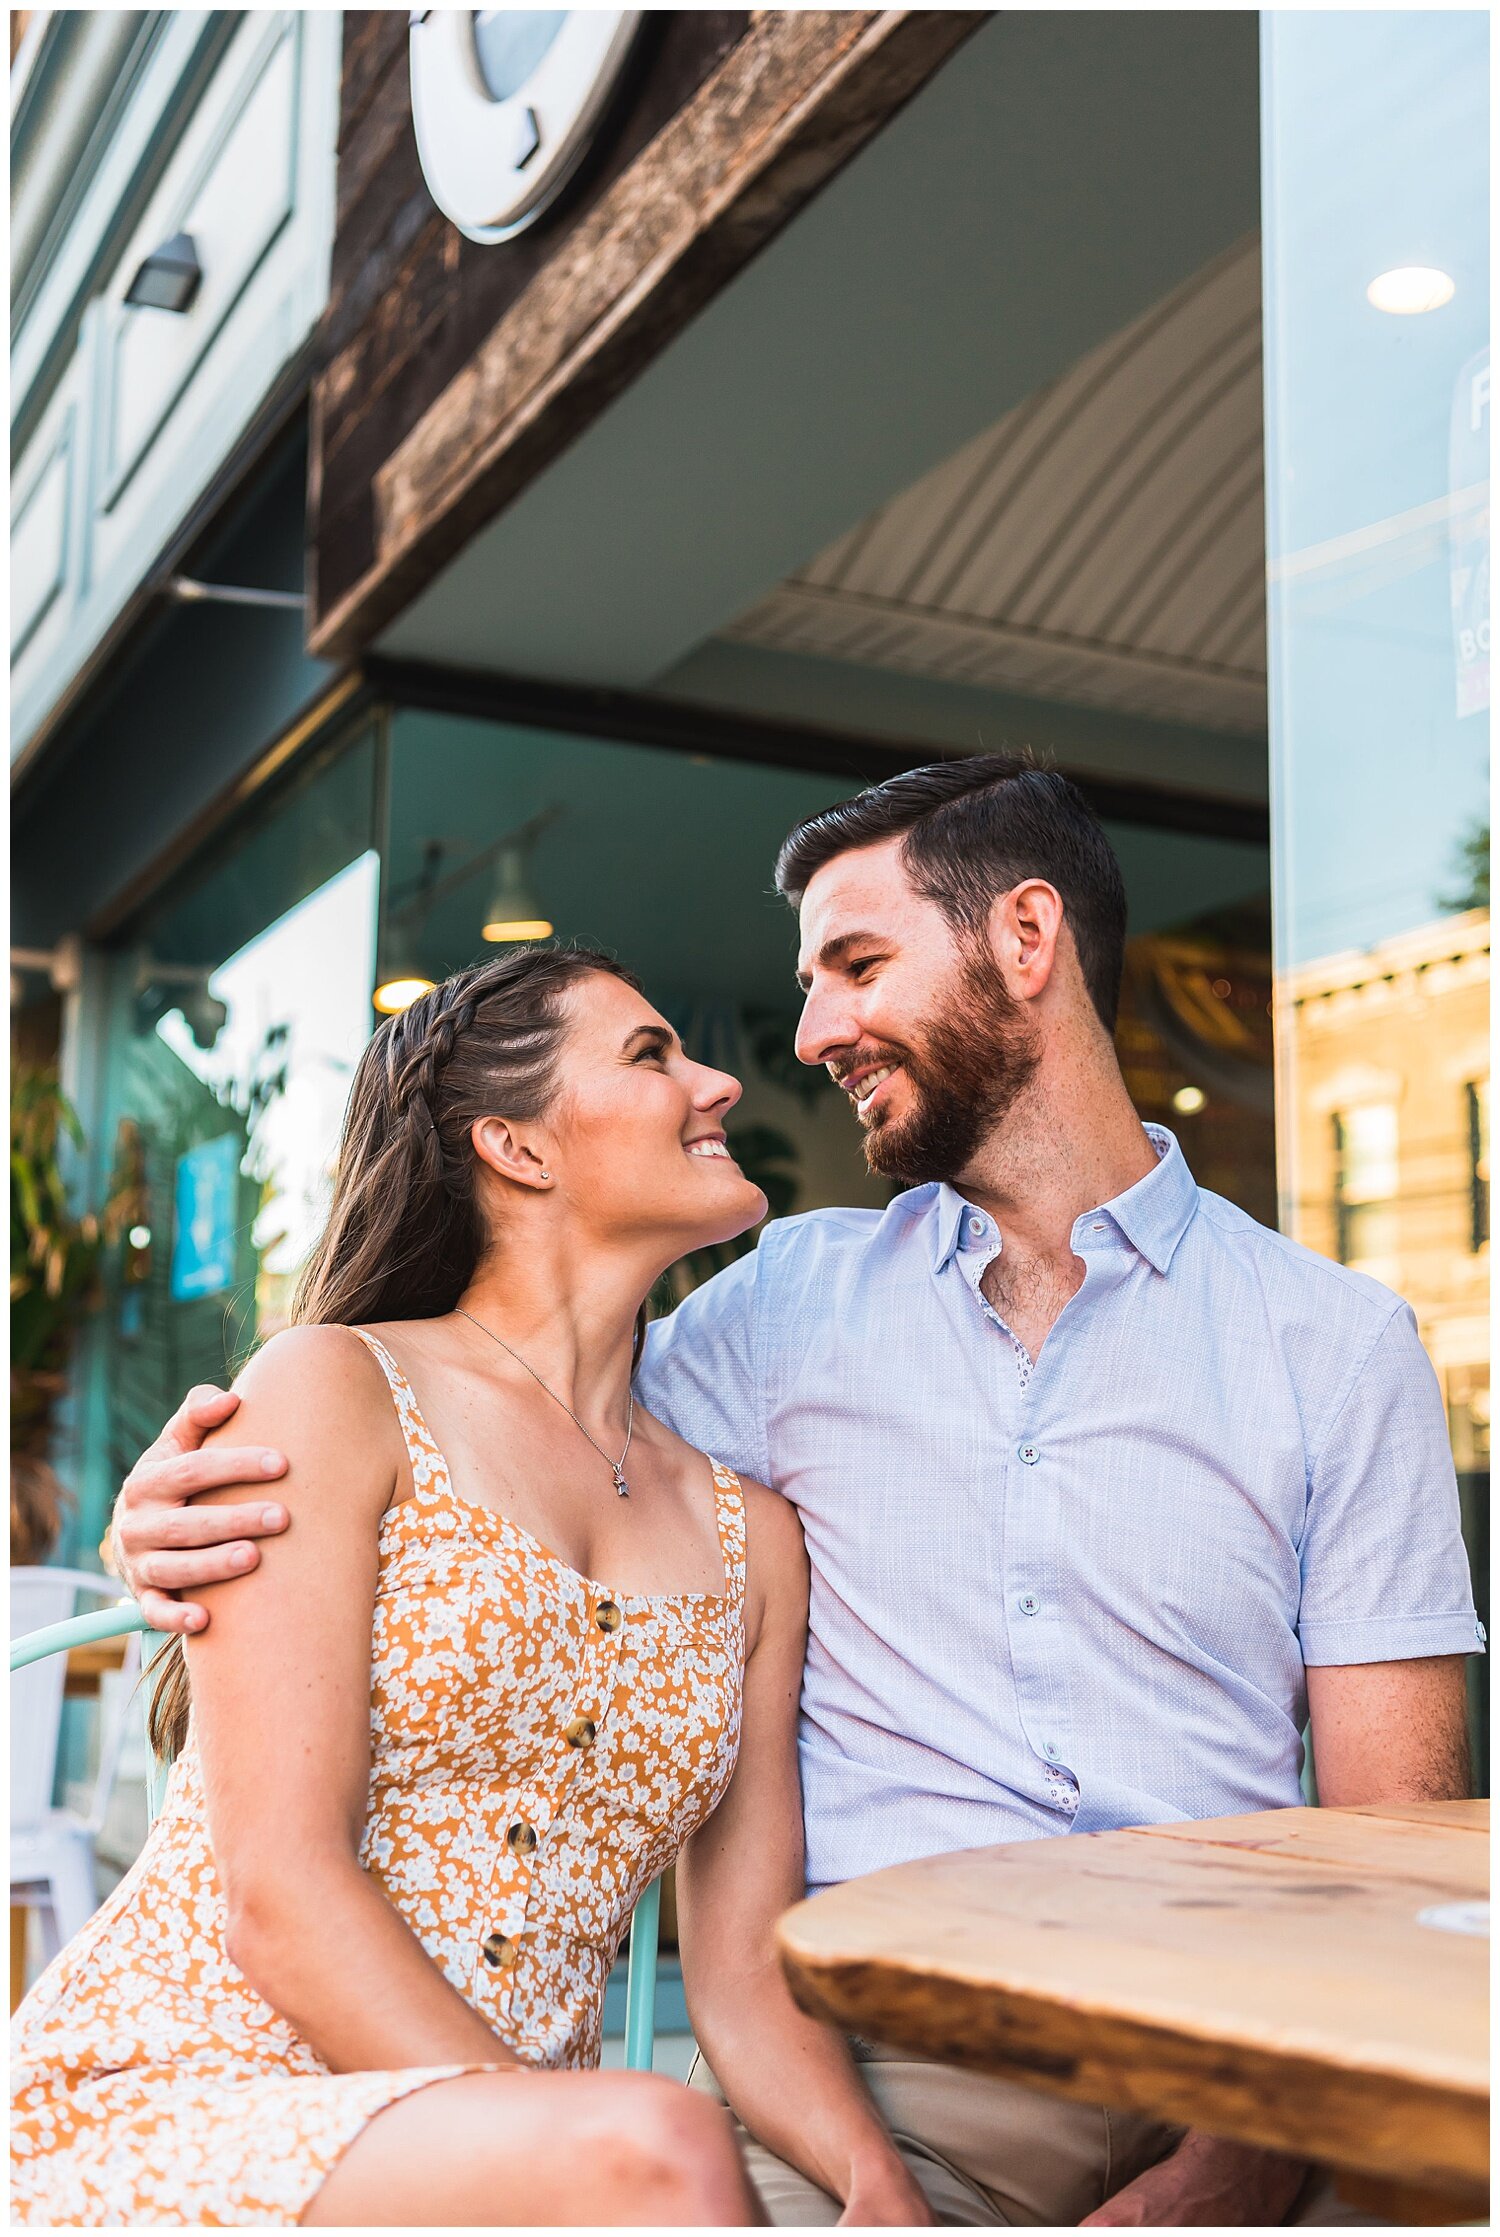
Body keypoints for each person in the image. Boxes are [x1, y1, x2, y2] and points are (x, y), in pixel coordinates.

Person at [107, 760, 1484, 2227]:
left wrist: (1240, 2163)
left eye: (859, 964)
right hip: (907, 2078)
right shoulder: (775, 1316)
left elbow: (1389, 1837)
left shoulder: (1338, 1349)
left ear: (1028, 940)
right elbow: (494, 1442)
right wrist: (190, 1485)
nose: (810, 1032)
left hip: (1251, 2069)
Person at [13, 947, 936, 2229]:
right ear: (518, 1145)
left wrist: (877, 2182)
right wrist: (567, 2141)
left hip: (509, 2149)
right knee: (661, 2141)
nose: (719, 1082)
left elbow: (736, 1971)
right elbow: (278, 1892)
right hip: (183, 2093)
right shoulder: (335, 1389)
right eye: (652, 1053)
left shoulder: (755, 1540)